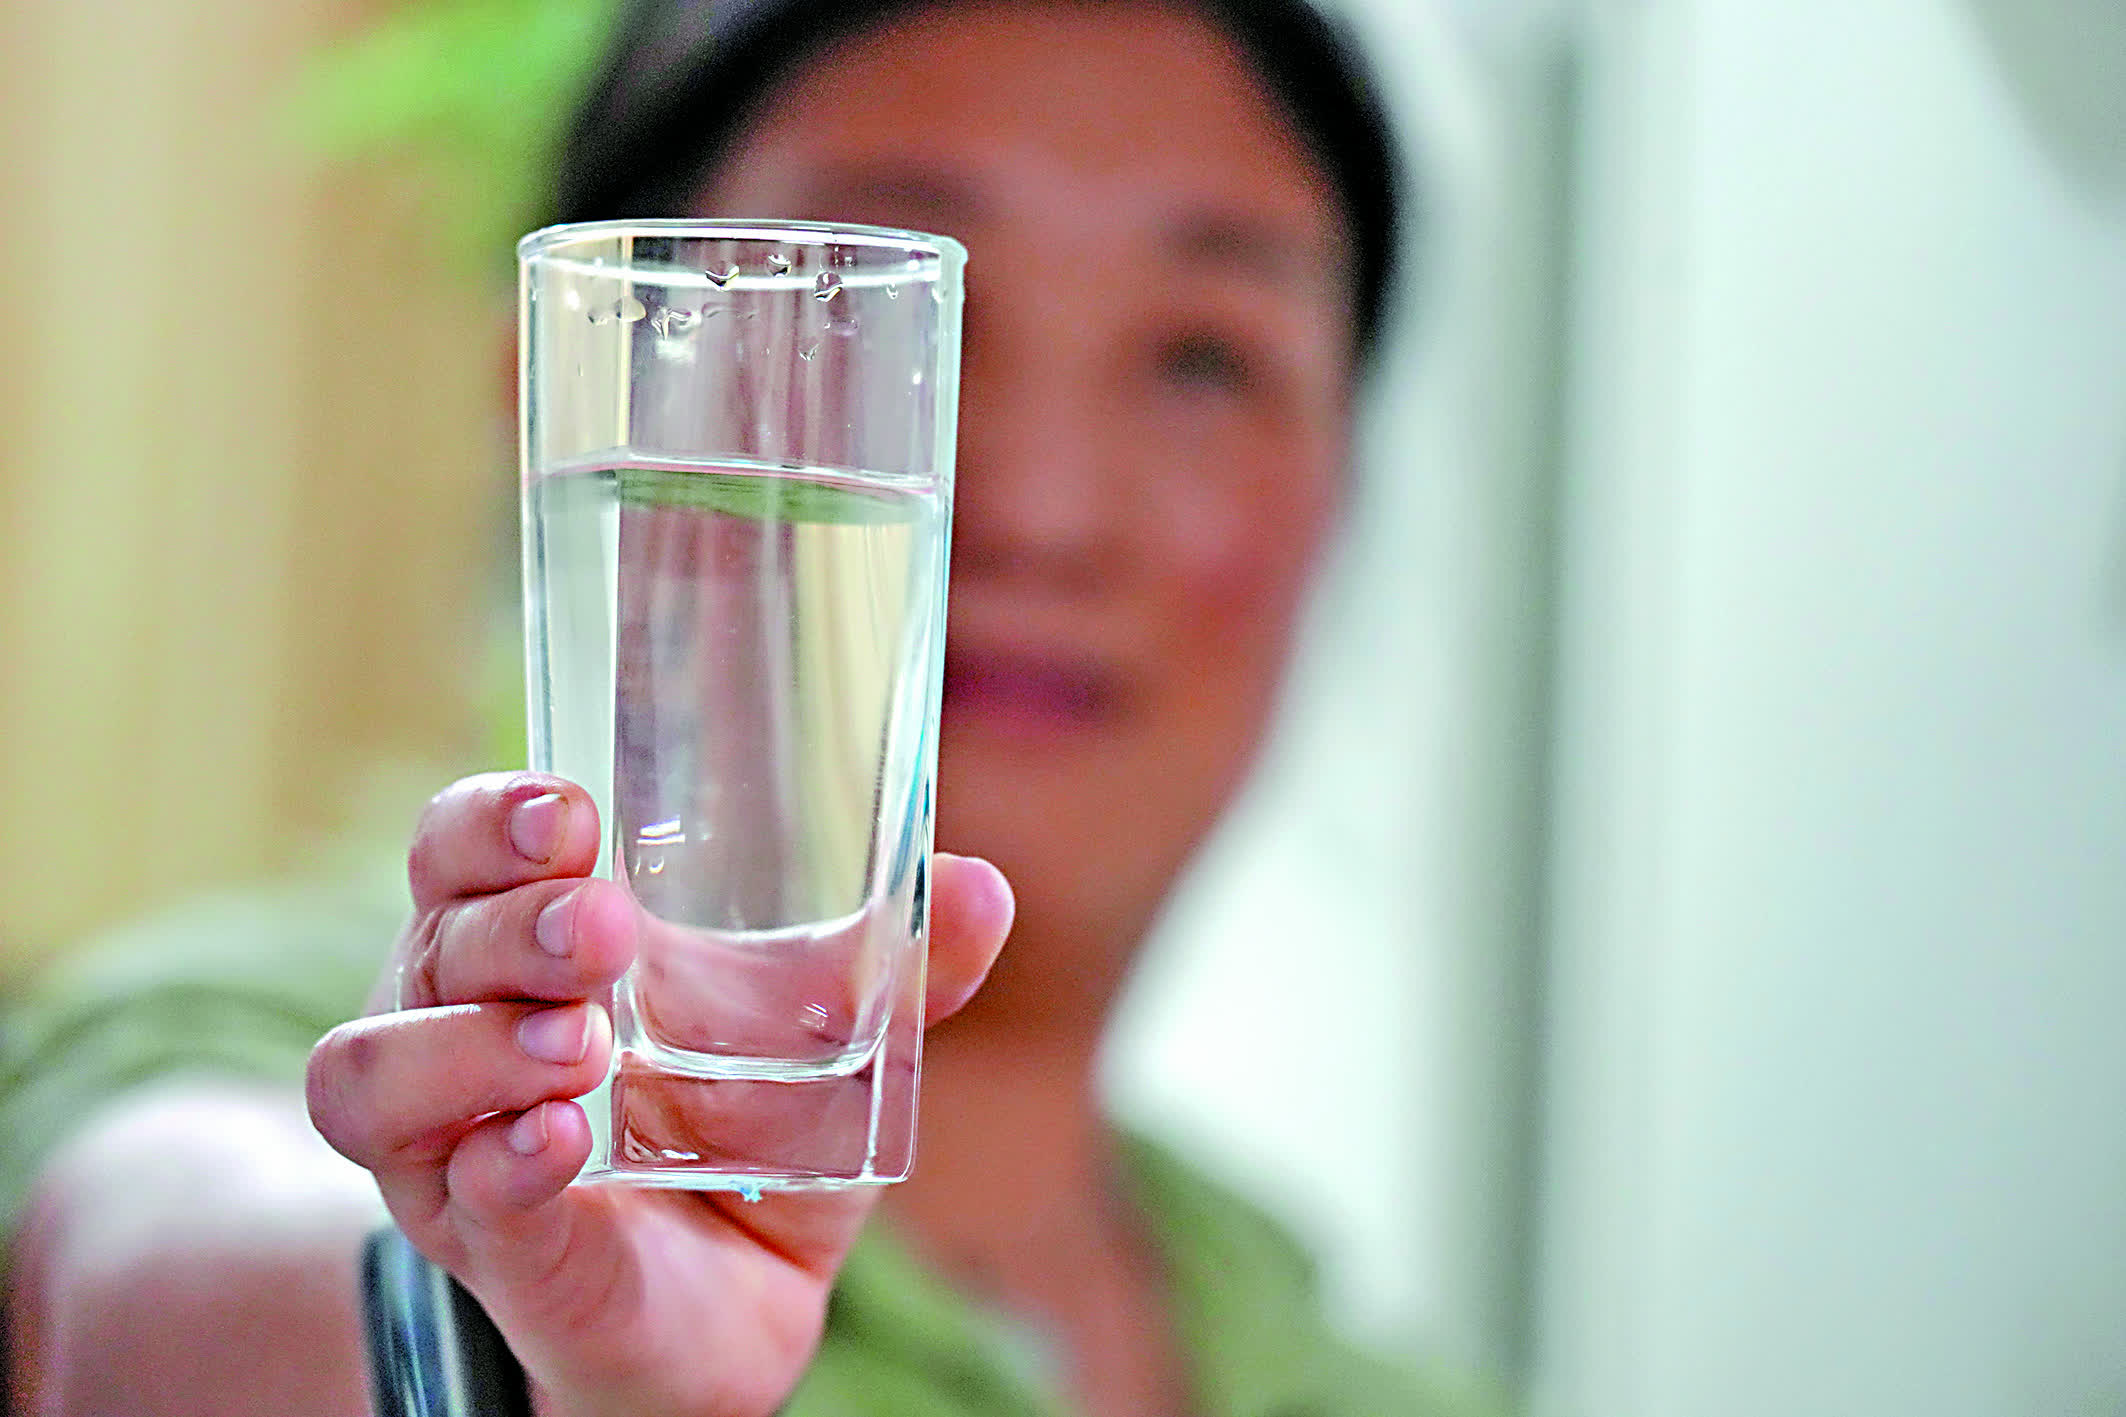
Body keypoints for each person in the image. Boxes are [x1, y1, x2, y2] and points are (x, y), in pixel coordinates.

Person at [2, 1, 1494, 1413]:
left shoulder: (1371, 1379)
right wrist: (512, 1338)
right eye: (868, 329)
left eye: (1203, 361)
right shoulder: (308, 1049)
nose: (1042, 508)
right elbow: (157, 1280)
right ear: (560, 396)